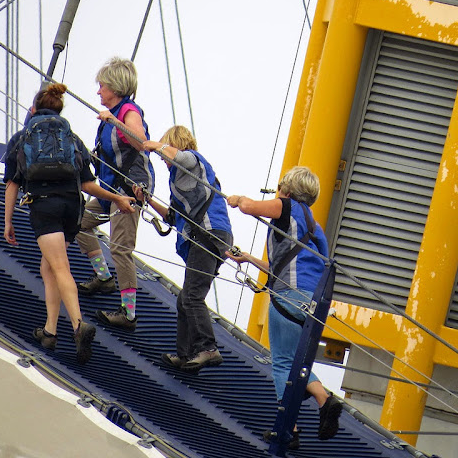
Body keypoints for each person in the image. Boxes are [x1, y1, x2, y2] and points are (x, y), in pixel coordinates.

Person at [3, 82, 135, 364]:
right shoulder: (71, 138)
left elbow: (12, 184)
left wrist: (8, 221)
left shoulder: (22, 137)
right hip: (72, 207)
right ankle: (50, 331)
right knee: (48, 265)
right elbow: (88, 183)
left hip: (45, 206)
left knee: (59, 267)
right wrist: (118, 199)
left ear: (34, 109)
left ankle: (78, 324)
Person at [226, 166, 342, 447]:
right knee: (295, 363)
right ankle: (314, 409)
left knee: (281, 363)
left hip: (288, 298)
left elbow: (249, 207)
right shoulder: (315, 228)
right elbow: (286, 266)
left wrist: (238, 199)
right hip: (312, 303)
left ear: (288, 188)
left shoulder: (285, 206)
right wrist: (250, 259)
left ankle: (295, 422)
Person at [133, 125, 233, 374]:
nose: (163, 161)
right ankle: (185, 354)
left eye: (165, 153)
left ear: (174, 145)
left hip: (209, 235)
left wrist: (156, 145)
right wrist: (148, 200)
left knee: (192, 297)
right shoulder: (178, 177)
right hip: (205, 236)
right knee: (184, 300)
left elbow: (183, 156)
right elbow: (173, 216)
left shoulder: (193, 162)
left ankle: (208, 348)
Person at [75, 57, 155, 331]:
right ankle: (103, 276)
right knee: (78, 223)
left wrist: (116, 122)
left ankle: (129, 314)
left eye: (102, 86)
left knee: (121, 248)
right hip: (111, 188)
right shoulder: (112, 115)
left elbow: (140, 142)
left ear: (115, 87)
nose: (98, 91)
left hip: (128, 189)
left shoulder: (128, 112)